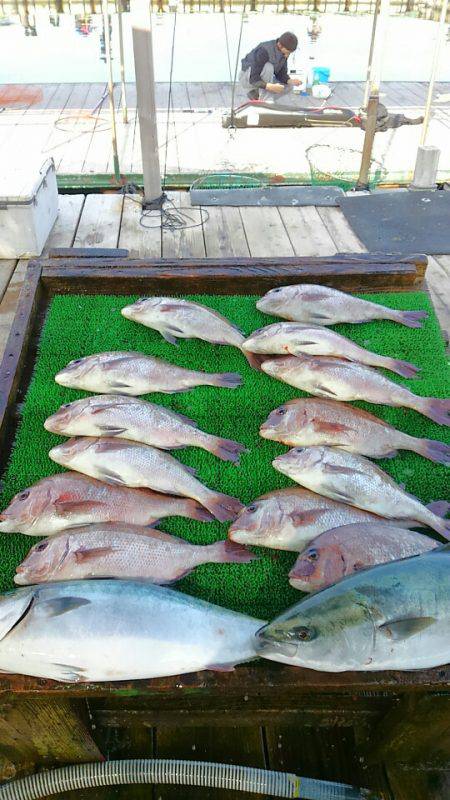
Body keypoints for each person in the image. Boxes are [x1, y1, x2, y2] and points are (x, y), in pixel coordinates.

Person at [239, 32, 301, 103]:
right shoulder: (263, 50)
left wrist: (289, 81)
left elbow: (281, 73)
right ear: (280, 45)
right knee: (269, 67)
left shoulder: (284, 54)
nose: (287, 55)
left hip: (264, 81)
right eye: (287, 52)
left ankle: (258, 95)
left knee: (289, 86)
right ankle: (265, 99)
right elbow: (253, 78)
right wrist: (270, 86)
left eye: (289, 53)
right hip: (247, 77)